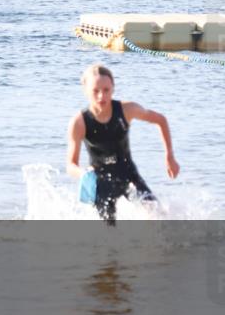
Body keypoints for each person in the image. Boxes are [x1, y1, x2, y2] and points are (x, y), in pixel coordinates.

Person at [66, 64, 180, 225]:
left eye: (106, 90)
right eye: (95, 91)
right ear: (86, 90)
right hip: (101, 182)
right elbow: (71, 165)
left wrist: (169, 155)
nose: (101, 96)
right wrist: (83, 173)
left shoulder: (127, 110)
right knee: (109, 235)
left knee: (158, 218)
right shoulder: (79, 122)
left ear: (113, 88)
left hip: (128, 174)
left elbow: (160, 120)